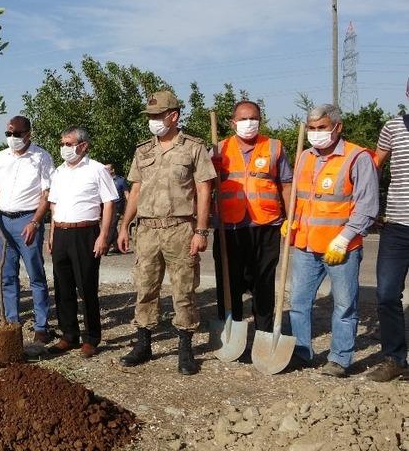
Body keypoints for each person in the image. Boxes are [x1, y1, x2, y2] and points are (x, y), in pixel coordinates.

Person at [117, 91, 215, 375]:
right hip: (146, 230)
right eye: (150, 116)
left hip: (180, 229)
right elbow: (135, 191)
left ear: (174, 116)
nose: (153, 121)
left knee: (184, 291)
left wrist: (201, 230)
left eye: (158, 116)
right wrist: (124, 225)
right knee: (145, 288)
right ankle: (143, 344)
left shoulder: (193, 148)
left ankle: (185, 348)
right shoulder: (143, 150)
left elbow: (204, 189)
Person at [286, 104, 379, 378]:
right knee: (299, 302)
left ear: (337, 127)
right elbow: (301, 198)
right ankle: (302, 352)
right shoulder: (304, 156)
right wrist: (291, 221)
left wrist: (345, 238)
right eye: (312, 128)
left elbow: (367, 206)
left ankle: (339, 358)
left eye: (322, 128)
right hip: (305, 245)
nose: (316, 134)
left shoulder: (357, 157)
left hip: (342, 247)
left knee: (344, 305)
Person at [211, 101, 292, 332]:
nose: (249, 123)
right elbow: (204, 185)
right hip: (230, 228)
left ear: (260, 120)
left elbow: (286, 185)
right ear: (232, 122)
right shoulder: (218, 149)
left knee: (263, 282)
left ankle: (263, 331)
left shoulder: (274, 147)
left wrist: (290, 218)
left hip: (266, 225)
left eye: (253, 118)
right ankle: (231, 328)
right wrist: (209, 168)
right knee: (229, 282)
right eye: (243, 119)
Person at [46, 126, 117, 358]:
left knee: (86, 287)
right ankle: (69, 334)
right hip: (62, 233)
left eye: (69, 144)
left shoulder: (97, 170)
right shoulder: (58, 172)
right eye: (62, 143)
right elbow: (53, 204)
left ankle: (91, 337)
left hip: (85, 233)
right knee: (62, 286)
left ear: (83, 145)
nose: (64, 148)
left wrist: (103, 236)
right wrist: (52, 234)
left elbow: (108, 203)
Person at [0, 116, 54, 344]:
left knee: (35, 274)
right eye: (8, 134)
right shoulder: (1, 157)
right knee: (7, 275)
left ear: (28, 134)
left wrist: (35, 222)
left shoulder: (41, 157)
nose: (12, 138)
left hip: (27, 220)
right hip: (4, 220)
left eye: (16, 134)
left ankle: (41, 325)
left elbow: (47, 194)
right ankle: (12, 321)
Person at [369, 109, 409, 381]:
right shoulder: (392, 127)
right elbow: (374, 166)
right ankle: (395, 359)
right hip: (396, 226)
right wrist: (373, 208)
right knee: (386, 294)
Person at [105, 163, 130, 255]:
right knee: (111, 226)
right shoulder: (105, 181)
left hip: (117, 206)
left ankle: (105, 247)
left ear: (112, 170)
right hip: (107, 206)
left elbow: (127, 194)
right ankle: (117, 246)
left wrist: (129, 208)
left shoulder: (120, 181)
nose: (105, 171)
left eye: (107, 169)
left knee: (111, 226)